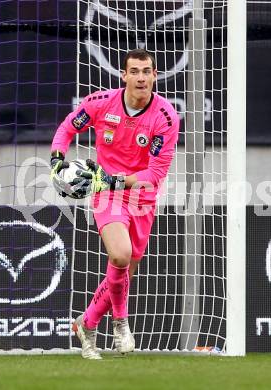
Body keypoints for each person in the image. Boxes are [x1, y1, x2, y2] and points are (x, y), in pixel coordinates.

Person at [50, 49, 180, 359]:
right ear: (124, 76)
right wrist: (57, 159)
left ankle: (87, 324)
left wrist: (114, 180)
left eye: (146, 71)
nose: (140, 77)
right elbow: (68, 128)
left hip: (143, 197)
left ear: (155, 76)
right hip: (107, 194)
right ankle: (121, 322)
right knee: (120, 256)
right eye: (134, 71)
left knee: (123, 270)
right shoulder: (100, 103)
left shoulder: (165, 117)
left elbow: (154, 173)